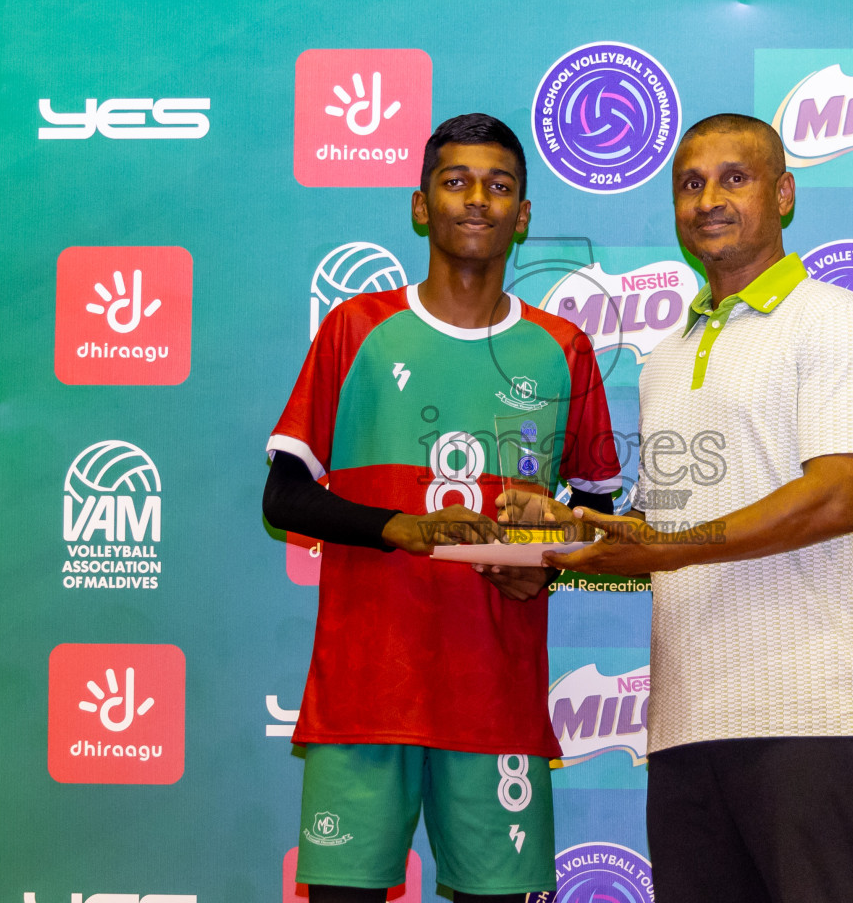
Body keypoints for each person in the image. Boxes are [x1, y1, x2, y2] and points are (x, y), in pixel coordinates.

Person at [499, 113, 853, 903]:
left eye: (734, 178)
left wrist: (666, 549)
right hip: (684, 728)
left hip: (807, 719)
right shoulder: (666, 358)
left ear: (782, 195)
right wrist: (564, 537)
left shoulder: (837, 319)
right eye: (690, 183)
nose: (709, 199)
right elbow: (659, 535)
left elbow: (833, 499)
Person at [264, 113, 620, 903]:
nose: (477, 200)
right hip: (365, 696)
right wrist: (400, 528)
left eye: (499, 186)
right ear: (421, 204)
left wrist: (550, 570)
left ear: (523, 216)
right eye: (455, 181)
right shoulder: (355, 329)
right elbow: (283, 496)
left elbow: (595, 517)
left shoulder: (564, 349)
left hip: (494, 699)